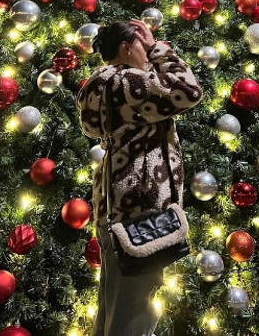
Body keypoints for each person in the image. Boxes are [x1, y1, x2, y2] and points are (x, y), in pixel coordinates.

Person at [76, 20, 202, 336]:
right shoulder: (129, 82)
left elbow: (92, 127)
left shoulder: (95, 86)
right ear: (126, 47)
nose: (148, 53)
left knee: (112, 306)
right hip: (139, 208)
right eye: (143, 46)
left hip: (112, 207)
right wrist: (160, 49)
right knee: (133, 314)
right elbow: (188, 91)